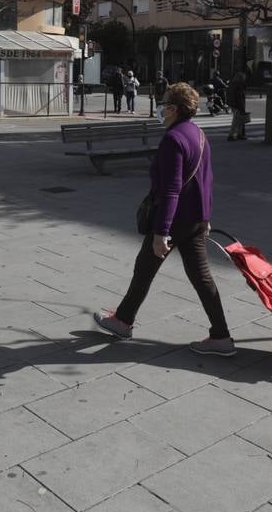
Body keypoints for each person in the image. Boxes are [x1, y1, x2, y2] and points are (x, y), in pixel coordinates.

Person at [94, 83, 236, 356]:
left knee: (144, 269)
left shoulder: (173, 139)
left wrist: (162, 232)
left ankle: (122, 321)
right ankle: (221, 336)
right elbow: (207, 179)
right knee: (201, 277)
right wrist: (205, 217)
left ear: (173, 108)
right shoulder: (198, 133)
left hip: (174, 220)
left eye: (163, 102)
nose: (160, 106)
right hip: (194, 219)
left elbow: (172, 189)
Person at [227, 70, 248, 141]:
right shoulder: (239, 85)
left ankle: (239, 134)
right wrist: (242, 107)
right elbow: (240, 97)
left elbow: (229, 94)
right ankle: (231, 135)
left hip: (233, 104)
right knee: (236, 121)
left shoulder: (232, 84)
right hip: (237, 105)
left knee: (239, 120)